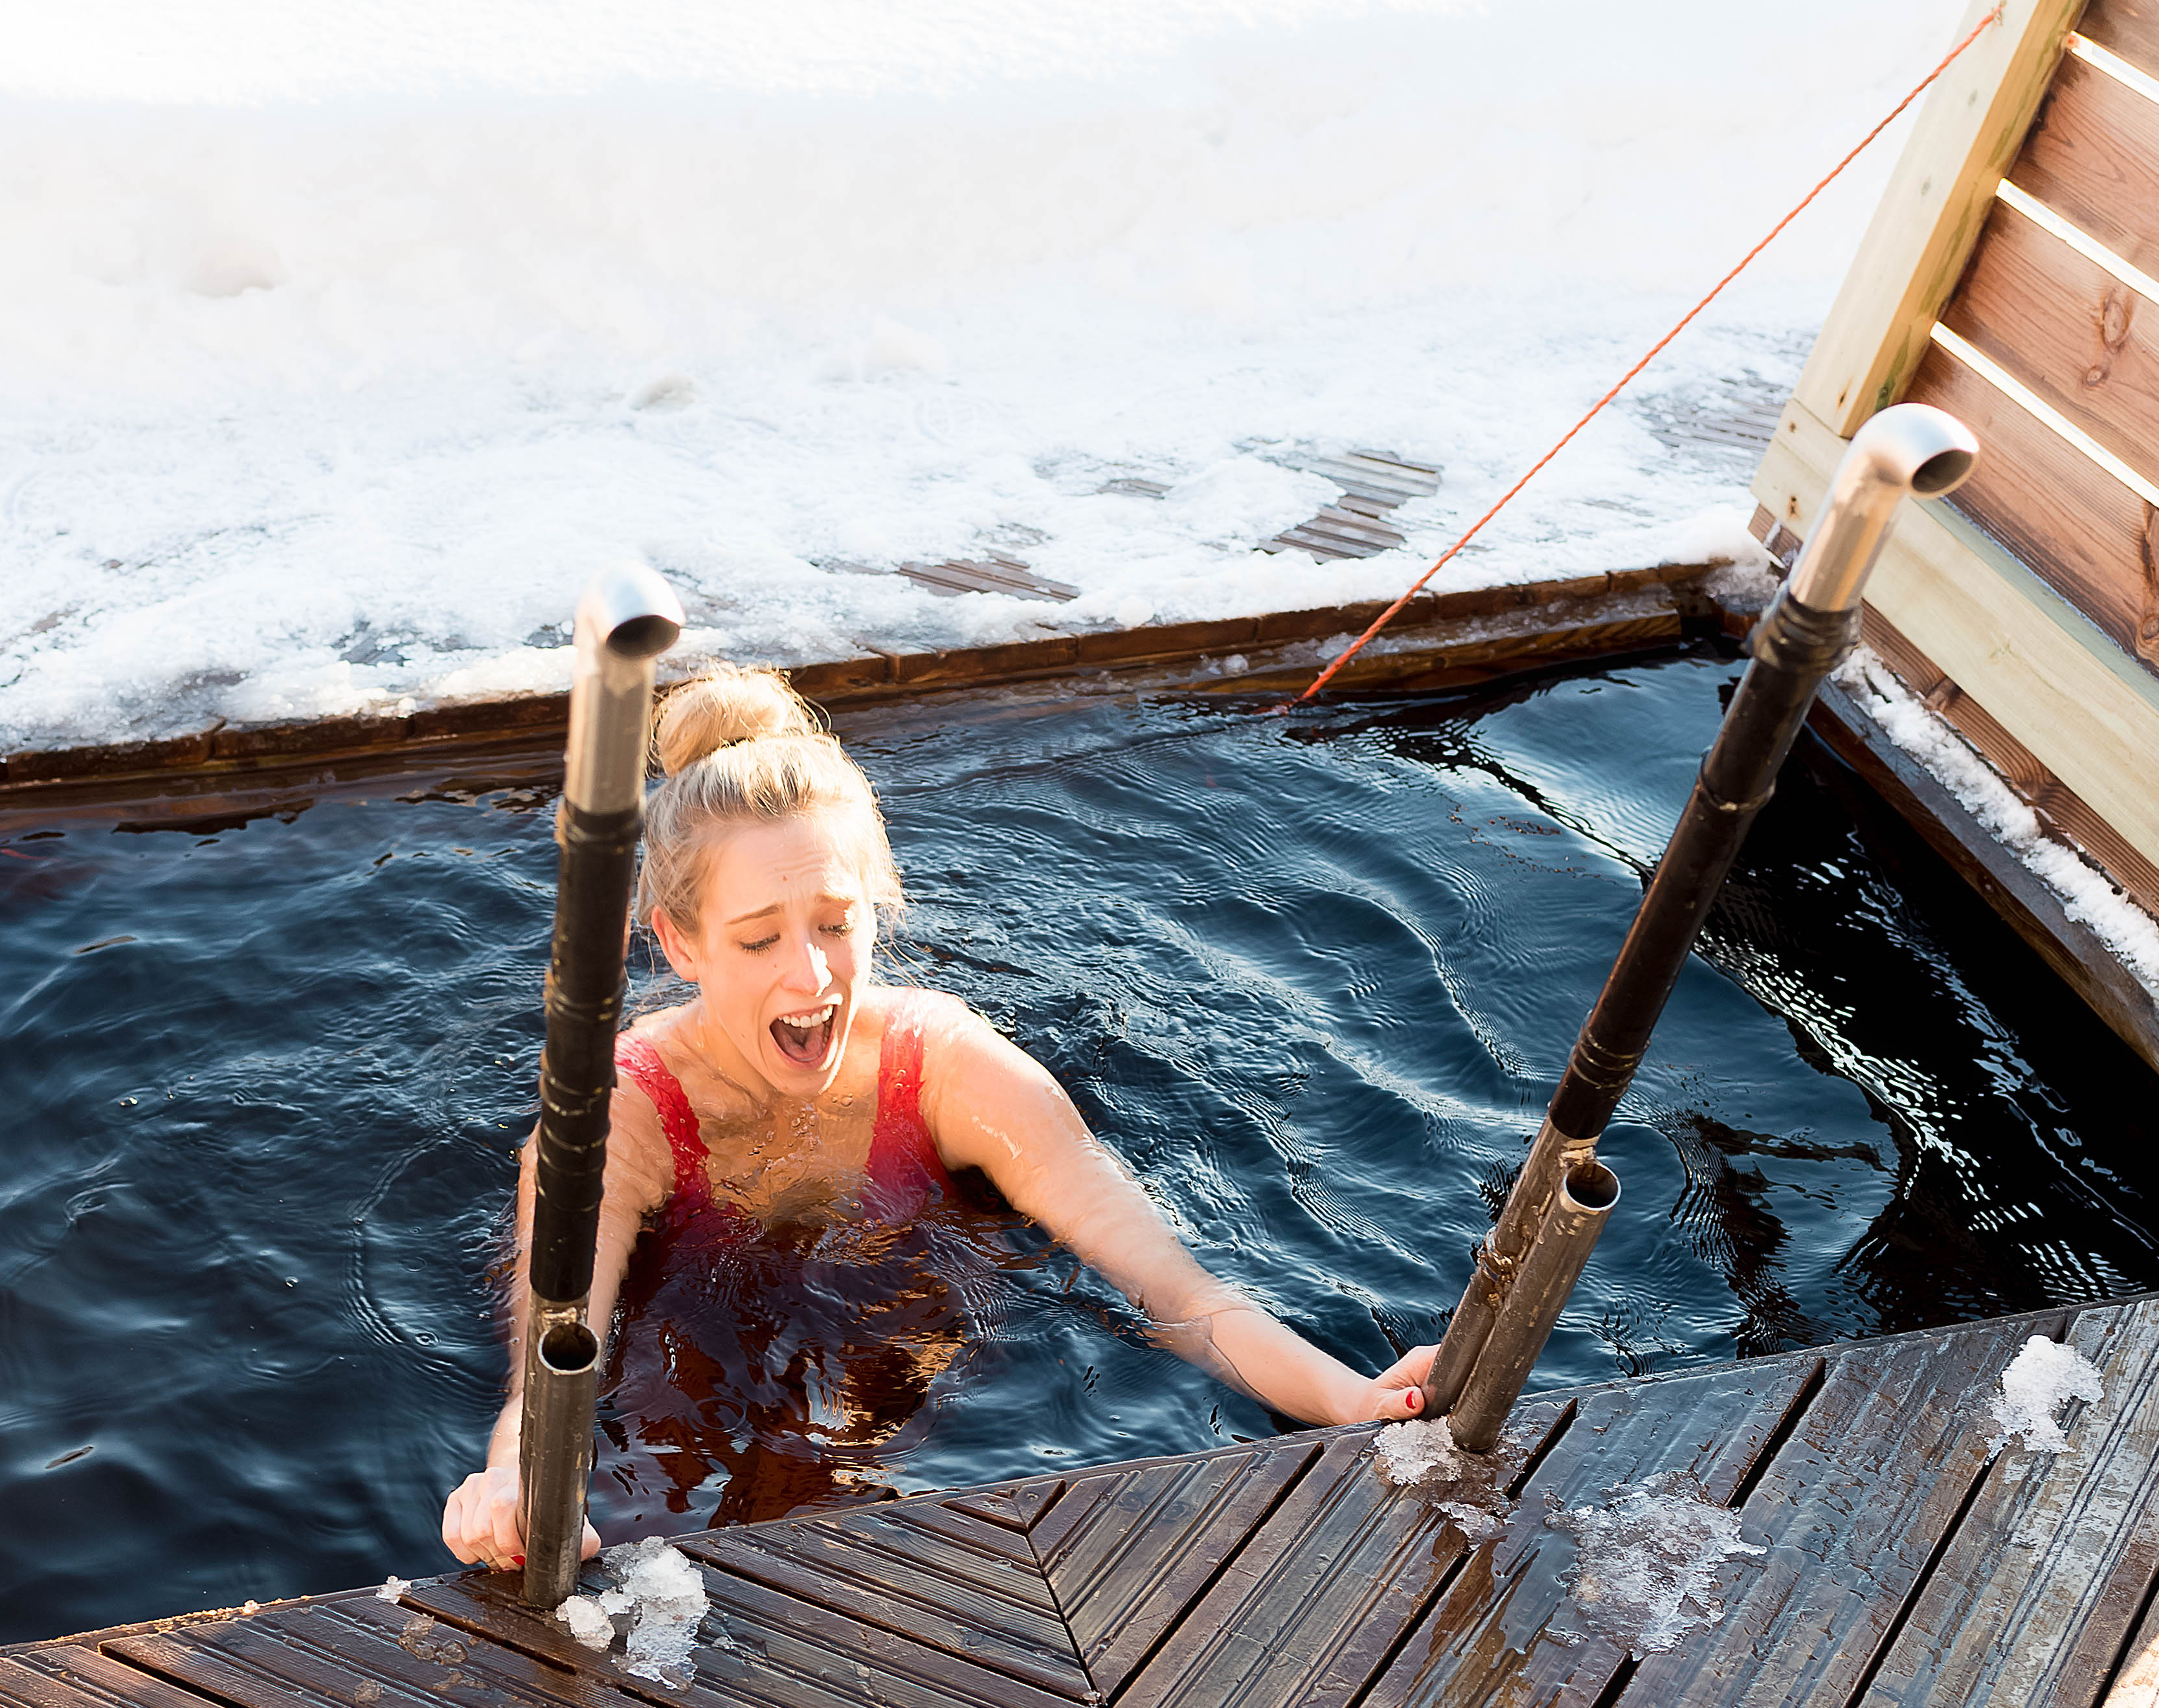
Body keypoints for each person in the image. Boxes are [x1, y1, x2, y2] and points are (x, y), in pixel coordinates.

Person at [442, 668, 1438, 1571]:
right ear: (681, 942)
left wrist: (1354, 1399)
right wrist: (520, 1485)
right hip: (692, 1348)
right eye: (758, 940)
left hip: (901, 1356)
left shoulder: (949, 1067)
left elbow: (1175, 1293)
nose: (814, 973)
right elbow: (551, 1362)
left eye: (838, 921)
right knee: (642, 1510)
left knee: (844, 1497)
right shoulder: (623, 1112)